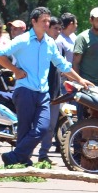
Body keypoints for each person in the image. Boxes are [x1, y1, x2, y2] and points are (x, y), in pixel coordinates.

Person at [0, 6, 96, 167]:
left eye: (48, 20)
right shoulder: (23, 40)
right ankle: (23, 160)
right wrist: (15, 70)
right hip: (25, 90)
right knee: (24, 129)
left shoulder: (50, 43)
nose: (47, 24)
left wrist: (80, 80)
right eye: (43, 21)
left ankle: (14, 156)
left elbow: (63, 65)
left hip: (43, 93)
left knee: (43, 127)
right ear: (33, 22)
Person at [37, 16, 74, 163]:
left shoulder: (57, 47)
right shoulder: (41, 45)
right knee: (39, 125)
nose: (58, 31)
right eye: (55, 28)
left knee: (51, 126)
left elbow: (63, 68)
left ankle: (43, 155)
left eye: (60, 28)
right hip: (40, 91)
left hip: (56, 91)